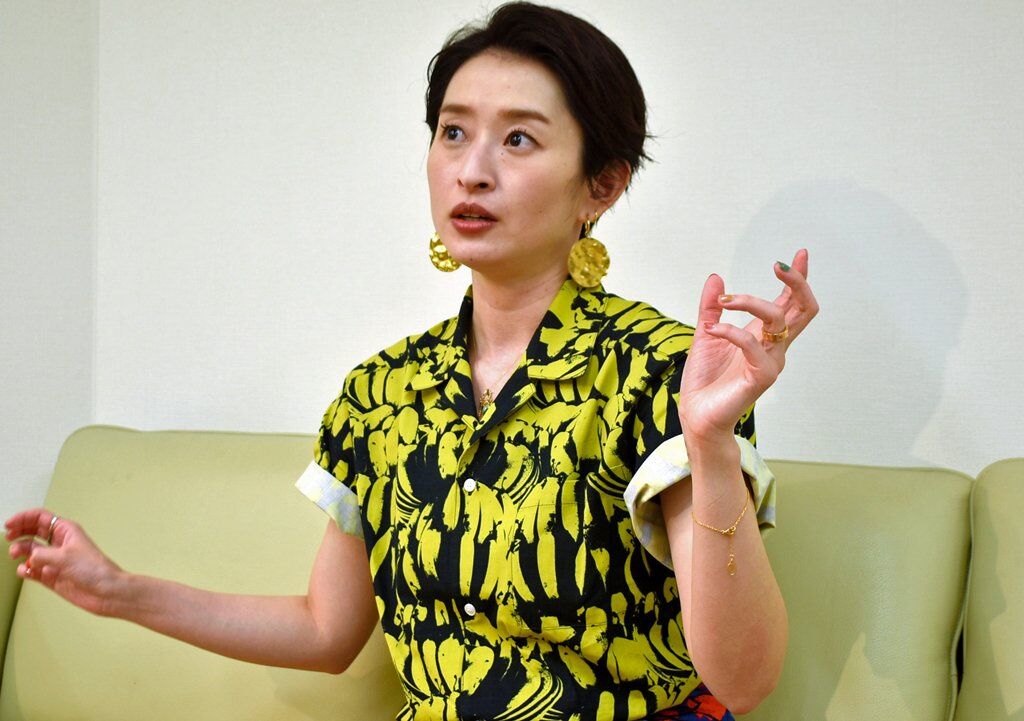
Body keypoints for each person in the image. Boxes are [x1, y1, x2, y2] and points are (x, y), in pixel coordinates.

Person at [5, 3, 818, 719]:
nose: (472, 169)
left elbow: (744, 681)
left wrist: (710, 446)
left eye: (519, 139)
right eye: (453, 132)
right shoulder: (381, 392)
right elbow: (327, 630)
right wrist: (120, 591)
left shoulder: (663, 370)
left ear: (600, 185)